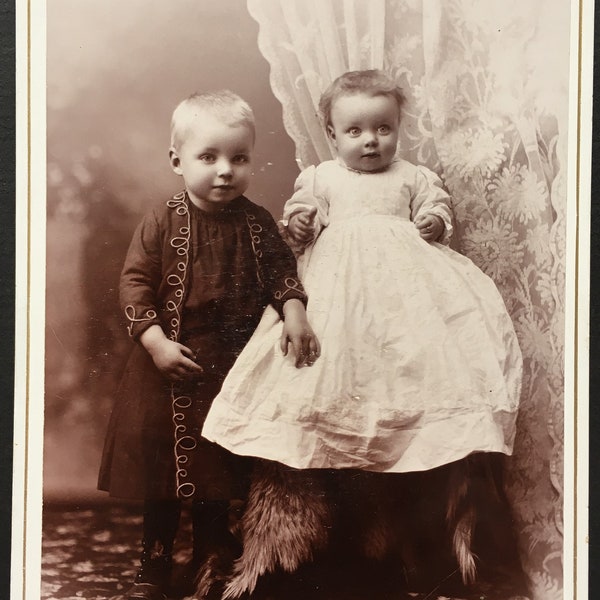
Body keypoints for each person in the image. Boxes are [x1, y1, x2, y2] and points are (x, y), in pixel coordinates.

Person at [201, 70, 525, 598]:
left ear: (399, 130)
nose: (370, 141)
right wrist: (303, 222)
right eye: (354, 131)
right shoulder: (323, 176)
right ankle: (322, 534)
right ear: (332, 135)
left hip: (405, 290)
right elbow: (301, 213)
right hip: (339, 291)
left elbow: (437, 208)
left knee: (410, 365)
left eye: (383, 128)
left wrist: (434, 223)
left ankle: (419, 533)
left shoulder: (413, 176)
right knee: (329, 378)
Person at [97, 90, 319, 600]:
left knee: (217, 475)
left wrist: (294, 311)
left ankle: (210, 559)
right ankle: (152, 564)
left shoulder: (257, 221)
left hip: (229, 372)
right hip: (168, 369)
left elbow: (283, 274)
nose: (225, 171)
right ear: (177, 161)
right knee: (163, 480)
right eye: (209, 157)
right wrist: (155, 344)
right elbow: (133, 285)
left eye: (238, 158)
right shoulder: (162, 219)